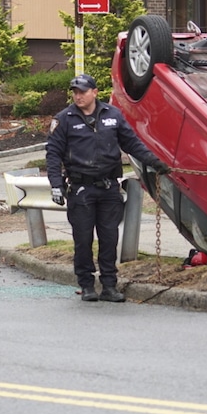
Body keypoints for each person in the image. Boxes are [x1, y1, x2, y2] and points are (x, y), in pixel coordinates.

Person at [46, 73, 169, 302]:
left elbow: (132, 143)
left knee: (109, 238)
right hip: (81, 189)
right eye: (75, 92)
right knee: (83, 239)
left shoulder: (112, 115)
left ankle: (109, 285)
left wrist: (155, 162)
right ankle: (86, 284)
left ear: (95, 92)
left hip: (109, 188)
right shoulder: (64, 119)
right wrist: (56, 185)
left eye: (83, 92)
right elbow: (53, 154)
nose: (78, 96)